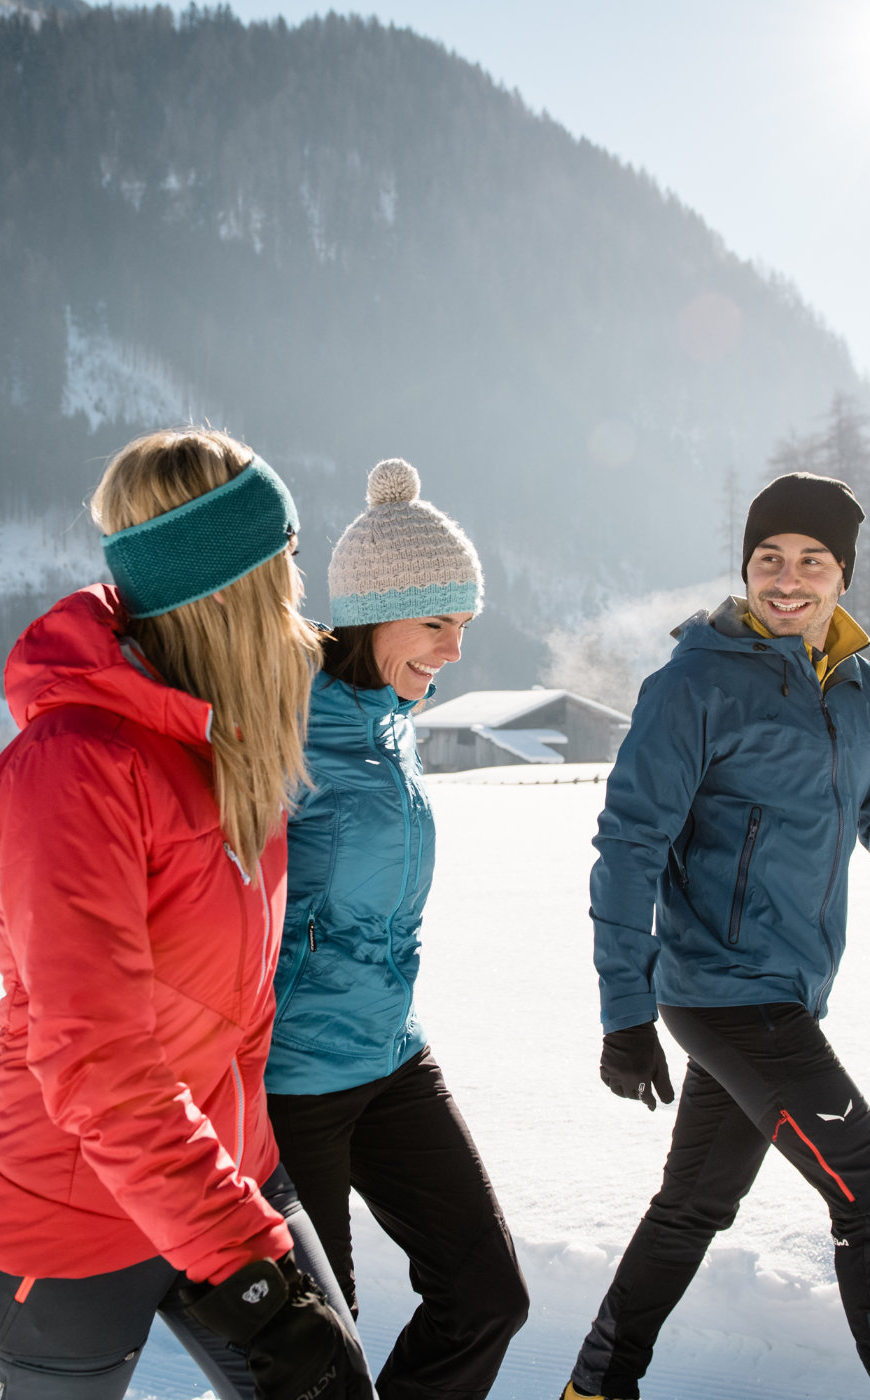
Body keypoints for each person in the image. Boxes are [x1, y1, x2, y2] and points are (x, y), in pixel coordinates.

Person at [561, 472, 870, 1400]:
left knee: (695, 1203)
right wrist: (624, 1012)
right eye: (768, 560)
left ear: (843, 576)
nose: (788, 580)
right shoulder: (694, 684)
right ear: (745, 568)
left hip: (784, 992)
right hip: (725, 994)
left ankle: (594, 1387)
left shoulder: (858, 691)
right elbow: (627, 848)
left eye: (811, 561)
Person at [0, 429, 372, 1400]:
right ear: (225, 588)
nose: (298, 598)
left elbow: (236, 1002)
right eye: (285, 566)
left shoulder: (222, 745)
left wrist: (255, 1184)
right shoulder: (74, 765)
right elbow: (98, 1058)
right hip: (69, 1212)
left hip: (221, 1174)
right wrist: (250, 1267)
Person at [265, 459, 531, 1400]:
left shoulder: (389, 722)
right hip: (290, 1080)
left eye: (464, 627)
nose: (454, 651)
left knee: (489, 1295)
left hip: (389, 1055)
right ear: (376, 612)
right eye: (437, 625)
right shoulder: (280, 731)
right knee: (318, 1362)